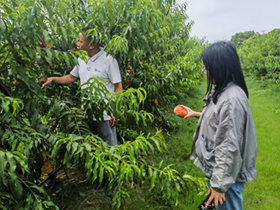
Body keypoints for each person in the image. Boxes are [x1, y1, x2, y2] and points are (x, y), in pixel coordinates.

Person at [179, 41, 257, 210]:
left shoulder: (231, 101)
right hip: (222, 173)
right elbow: (222, 123)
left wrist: (219, 185)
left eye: (207, 68)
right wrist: (195, 114)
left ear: (219, 68)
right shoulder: (225, 90)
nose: (205, 72)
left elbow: (229, 146)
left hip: (226, 177)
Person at [41, 27, 123, 146]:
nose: (77, 44)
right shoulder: (82, 58)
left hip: (105, 115)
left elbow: (118, 86)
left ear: (91, 45)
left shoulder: (108, 60)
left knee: (109, 150)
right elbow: (71, 77)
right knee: (91, 149)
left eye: (80, 41)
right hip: (87, 113)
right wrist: (53, 79)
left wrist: (116, 112)